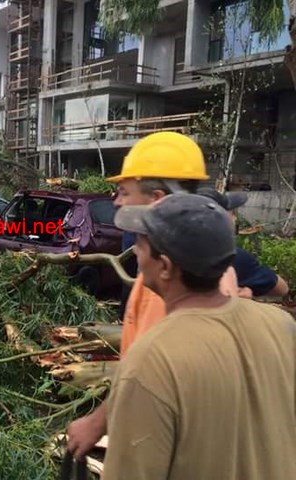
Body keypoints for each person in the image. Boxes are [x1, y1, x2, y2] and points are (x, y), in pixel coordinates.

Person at [67, 132, 240, 458]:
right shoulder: (166, 269)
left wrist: (97, 426)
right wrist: (100, 421)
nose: (116, 202)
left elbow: (152, 386)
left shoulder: (181, 285)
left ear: (156, 199)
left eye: (123, 192)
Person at [99, 193, 296, 479]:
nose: (135, 253)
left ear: (164, 267)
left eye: (140, 245)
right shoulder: (280, 325)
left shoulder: (153, 359)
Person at [197, 187, 290, 298]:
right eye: (232, 213)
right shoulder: (232, 257)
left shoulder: (174, 253)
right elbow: (282, 289)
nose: (235, 218)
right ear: (221, 218)